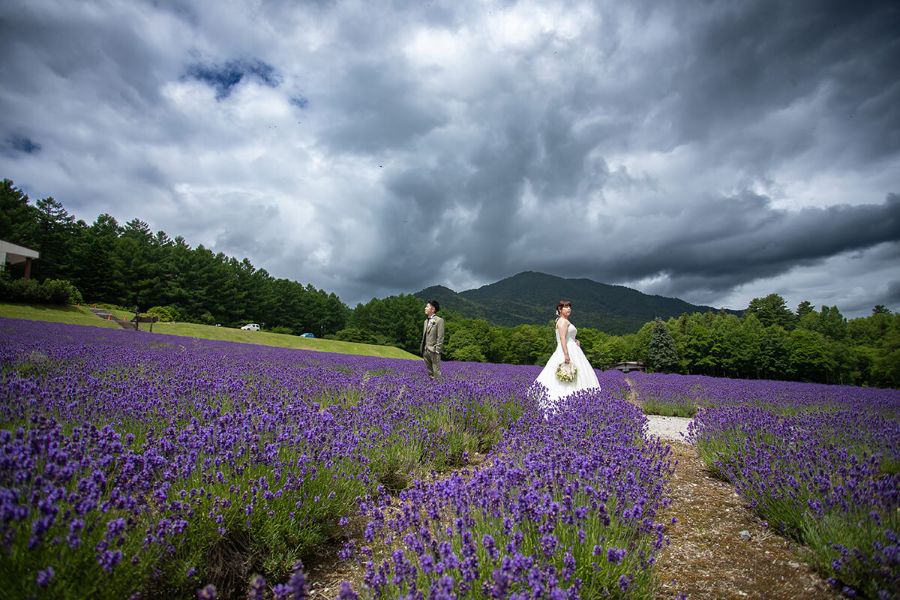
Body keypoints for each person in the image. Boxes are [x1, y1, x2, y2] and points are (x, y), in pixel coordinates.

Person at [534, 300, 600, 410]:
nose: (569, 308)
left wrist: (575, 340)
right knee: (566, 376)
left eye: (569, 307)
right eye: (566, 307)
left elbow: (568, 336)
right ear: (560, 310)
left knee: (576, 376)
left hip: (573, 349)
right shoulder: (562, 321)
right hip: (566, 350)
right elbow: (562, 338)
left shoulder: (565, 321)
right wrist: (566, 354)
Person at [420, 299, 445, 381]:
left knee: (436, 372)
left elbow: (440, 336)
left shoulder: (439, 320)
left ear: (433, 309)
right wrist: (423, 349)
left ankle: (440, 387)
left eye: (427, 307)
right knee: (430, 372)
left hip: (434, 350)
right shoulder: (425, 321)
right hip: (425, 350)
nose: (425, 308)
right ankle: (432, 386)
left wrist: (437, 350)